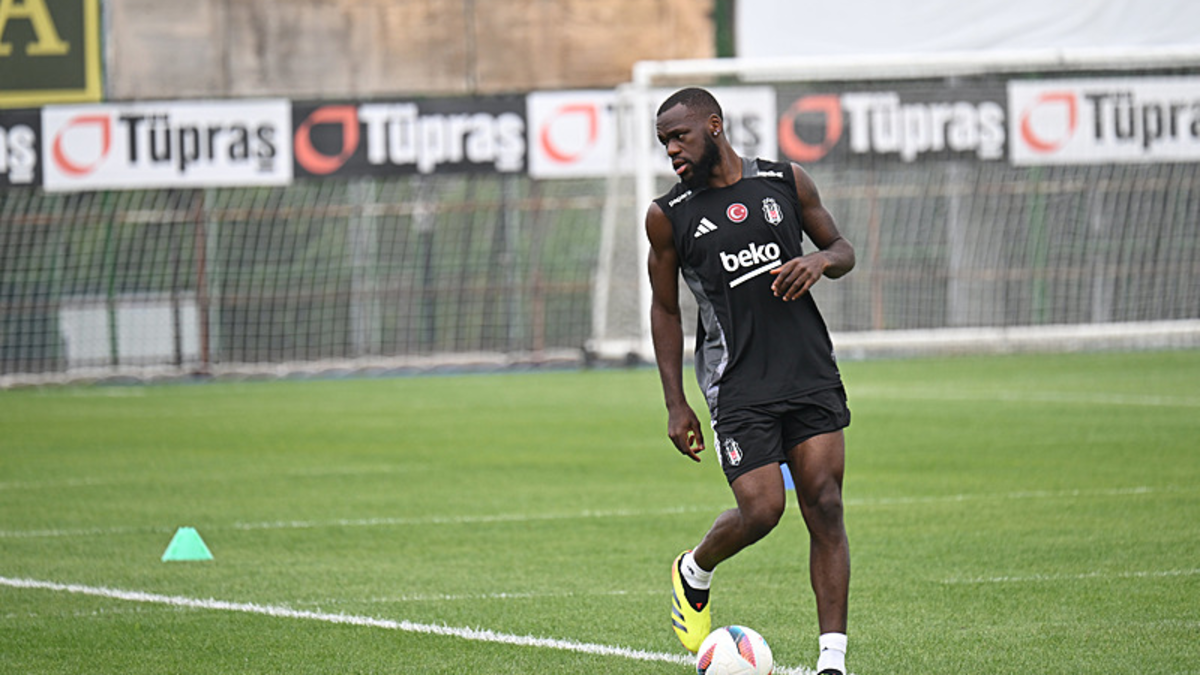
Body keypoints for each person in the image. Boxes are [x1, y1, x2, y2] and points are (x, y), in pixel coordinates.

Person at [645, 87, 855, 675]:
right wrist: (674, 403)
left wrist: (818, 261)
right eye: (664, 143)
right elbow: (665, 309)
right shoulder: (669, 215)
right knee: (763, 509)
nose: (672, 151)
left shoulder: (785, 181)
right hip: (736, 382)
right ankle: (695, 568)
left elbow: (842, 248)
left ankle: (832, 661)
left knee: (826, 504)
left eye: (679, 136)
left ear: (714, 125)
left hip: (809, 370)